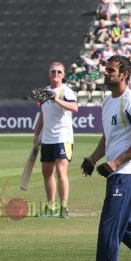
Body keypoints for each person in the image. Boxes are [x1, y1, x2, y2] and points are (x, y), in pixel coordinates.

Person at [81, 55, 131, 261]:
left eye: (110, 70)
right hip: (118, 175)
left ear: (124, 75)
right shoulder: (107, 102)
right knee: (125, 228)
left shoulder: (129, 101)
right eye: (105, 69)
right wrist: (93, 158)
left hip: (125, 174)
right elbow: (108, 137)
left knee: (108, 232)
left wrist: (116, 162)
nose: (105, 73)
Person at [34, 62, 78, 218]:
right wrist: (36, 134)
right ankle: (51, 205)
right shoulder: (44, 91)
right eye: (53, 71)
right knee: (46, 172)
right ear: (49, 73)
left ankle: (64, 206)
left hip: (63, 137)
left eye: (59, 72)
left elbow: (74, 108)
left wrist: (57, 99)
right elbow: (43, 114)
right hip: (47, 138)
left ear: (64, 75)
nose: (56, 74)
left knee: (61, 171)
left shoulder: (66, 91)